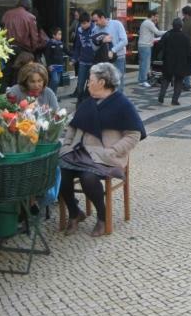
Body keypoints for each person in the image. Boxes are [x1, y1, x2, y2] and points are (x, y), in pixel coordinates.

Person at [59, 63, 145, 237]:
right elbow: (72, 127)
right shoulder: (86, 102)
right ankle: (75, 213)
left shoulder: (122, 104)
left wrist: (112, 151)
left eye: (91, 80)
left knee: (88, 177)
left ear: (102, 82)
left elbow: (133, 134)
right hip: (80, 153)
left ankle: (102, 216)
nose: (88, 83)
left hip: (106, 157)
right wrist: (67, 145)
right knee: (60, 173)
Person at [158, 18, 191, 106]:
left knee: (166, 79)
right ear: (181, 26)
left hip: (168, 61)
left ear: (172, 25)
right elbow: (189, 52)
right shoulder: (185, 37)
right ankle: (175, 100)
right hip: (181, 63)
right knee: (179, 81)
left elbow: (160, 46)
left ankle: (161, 96)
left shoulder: (167, 35)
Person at [91, 9, 128, 90]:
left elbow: (124, 41)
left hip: (119, 58)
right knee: (107, 84)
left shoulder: (116, 24)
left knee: (118, 83)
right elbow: (94, 47)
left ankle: (118, 102)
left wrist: (113, 50)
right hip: (104, 60)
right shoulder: (95, 29)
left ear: (102, 17)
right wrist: (102, 41)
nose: (95, 23)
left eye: (96, 20)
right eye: (93, 21)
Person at [72, 12, 95, 105]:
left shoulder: (95, 30)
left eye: (85, 23)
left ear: (90, 22)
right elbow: (77, 45)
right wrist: (74, 58)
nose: (83, 25)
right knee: (80, 84)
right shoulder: (79, 30)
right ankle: (79, 102)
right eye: (82, 23)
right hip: (83, 61)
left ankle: (86, 103)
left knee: (90, 85)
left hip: (93, 62)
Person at [138, 11, 165, 87]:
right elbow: (158, 32)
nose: (157, 18)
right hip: (145, 46)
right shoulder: (149, 23)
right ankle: (143, 80)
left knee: (142, 64)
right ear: (152, 16)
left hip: (142, 45)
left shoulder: (145, 22)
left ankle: (140, 80)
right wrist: (168, 31)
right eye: (156, 16)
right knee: (145, 64)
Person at [45, 27, 69, 95]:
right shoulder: (50, 44)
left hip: (60, 65)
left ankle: (53, 95)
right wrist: (49, 65)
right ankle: (48, 94)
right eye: (58, 34)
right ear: (54, 35)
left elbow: (67, 51)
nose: (60, 36)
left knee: (57, 81)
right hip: (53, 66)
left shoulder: (61, 43)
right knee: (54, 80)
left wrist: (75, 56)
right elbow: (47, 56)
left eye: (61, 34)